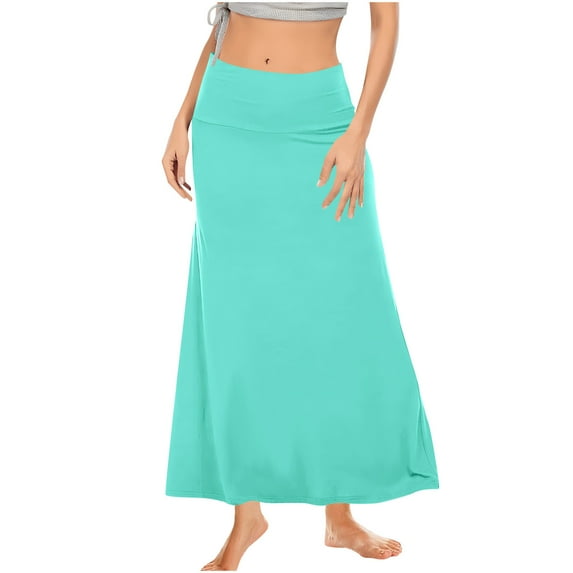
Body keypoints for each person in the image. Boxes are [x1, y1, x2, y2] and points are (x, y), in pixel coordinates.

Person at [161, 2, 439, 570]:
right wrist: (181, 119)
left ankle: (339, 514)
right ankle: (246, 513)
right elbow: (226, 20)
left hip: (319, 120)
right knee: (237, 321)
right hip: (226, 119)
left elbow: (385, 22)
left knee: (337, 313)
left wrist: (358, 132)